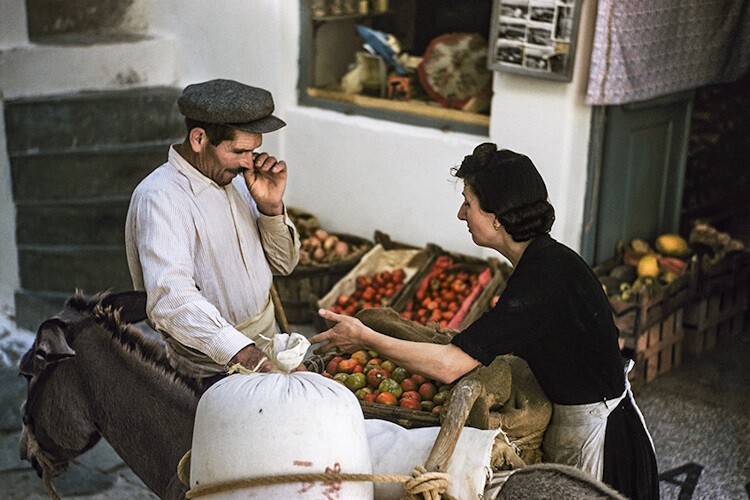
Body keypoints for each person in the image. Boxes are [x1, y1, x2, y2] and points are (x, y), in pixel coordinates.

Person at [310, 143, 659, 499]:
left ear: (497, 217)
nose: (461, 214)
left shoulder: (542, 278)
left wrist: (366, 337)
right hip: (587, 419)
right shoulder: (546, 261)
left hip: (594, 435)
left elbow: (449, 366)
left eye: (468, 203)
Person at [125, 79, 301, 390]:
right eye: (239, 151)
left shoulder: (239, 181)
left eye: (253, 151)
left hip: (267, 351)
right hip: (211, 374)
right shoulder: (161, 198)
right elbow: (171, 298)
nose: (249, 163)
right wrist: (242, 352)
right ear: (198, 139)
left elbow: (285, 264)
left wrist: (271, 208)